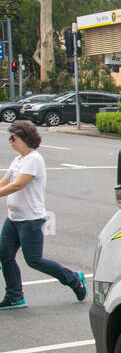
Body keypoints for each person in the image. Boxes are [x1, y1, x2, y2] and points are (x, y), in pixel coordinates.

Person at [0, 121, 86, 309]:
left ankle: (73, 279)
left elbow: (18, 184)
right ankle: (15, 296)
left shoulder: (34, 159)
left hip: (30, 219)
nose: (10, 142)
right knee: (4, 255)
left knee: (34, 261)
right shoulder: (18, 160)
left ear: (23, 138)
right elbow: (5, 181)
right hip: (13, 218)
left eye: (12, 138)